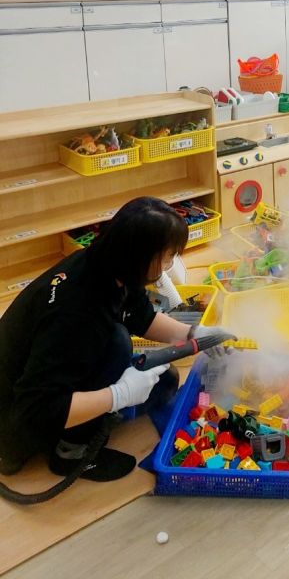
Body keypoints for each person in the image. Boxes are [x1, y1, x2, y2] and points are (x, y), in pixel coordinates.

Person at [0, 196, 230, 483]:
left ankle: (99, 408)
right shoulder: (76, 314)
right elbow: (38, 409)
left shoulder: (110, 265)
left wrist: (192, 334)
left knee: (164, 383)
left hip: (48, 375)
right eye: (168, 256)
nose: (170, 264)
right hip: (16, 420)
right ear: (142, 256)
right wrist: (118, 395)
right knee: (118, 342)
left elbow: (141, 316)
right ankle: (70, 452)